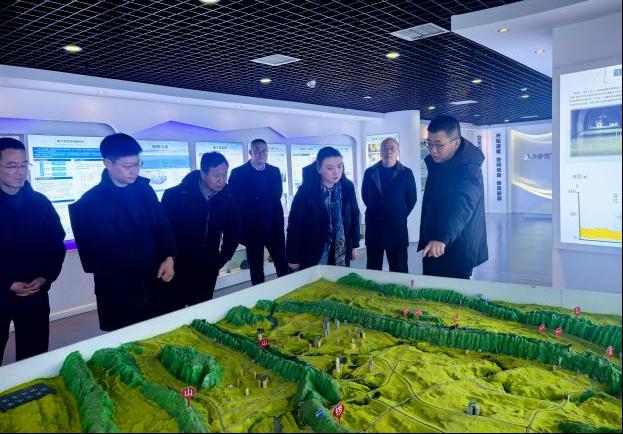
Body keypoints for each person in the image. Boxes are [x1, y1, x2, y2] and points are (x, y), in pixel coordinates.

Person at [69, 133, 176, 331]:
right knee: (127, 339)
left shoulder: (144, 190)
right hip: (120, 290)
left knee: (161, 333)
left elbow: (162, 225)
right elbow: (97, 256)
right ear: (108, 163)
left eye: (137, 164)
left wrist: (169, 256)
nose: (135, 171)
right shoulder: (91, 202)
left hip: (155, 281)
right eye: (128, 166)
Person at [0, 138, 66, 363]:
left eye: (23, 165)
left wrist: (44, 276)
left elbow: (55, 243)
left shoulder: (39, 202)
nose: (20, 172)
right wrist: (6, 282)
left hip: (34, 292)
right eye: (12, 166)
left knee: (34, 356)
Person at [162, 152, 240, 307]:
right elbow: (163, 232)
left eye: (225, 174)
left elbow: (233, 231)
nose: (222, 180)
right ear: (203, 174)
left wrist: (221, 259)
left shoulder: (228, 197)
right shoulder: (175, 195)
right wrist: (169, 258)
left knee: (201, 309)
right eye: (216, 175)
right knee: (175, 311)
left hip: (208, 267)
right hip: (178, 266)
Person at [418, 115, 488, 279]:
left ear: (456, 143)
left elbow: (463, 206)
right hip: (434, 244)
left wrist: (442, 238)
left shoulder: (469, 170)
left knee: (451, 293)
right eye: (429, 143)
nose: (432, 150)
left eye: (439, 145)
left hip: (456, 248)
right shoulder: (439, 163)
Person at [287, 146, 360, 270]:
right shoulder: (306, 191)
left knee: (339, 279)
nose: (336, 172)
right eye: (330, 168)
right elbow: (295, 225)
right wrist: (293, 257)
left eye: (339, 166)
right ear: (319, 168)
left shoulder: (347, 187)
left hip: (340, 250)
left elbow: (354, 216)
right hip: (314, 251)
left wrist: (354, 245)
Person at [229, 139, 288, 285]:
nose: (261, 154)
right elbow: (234, 200)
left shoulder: (274, 171)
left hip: (273, 226)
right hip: (251, 228)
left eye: (264, 151)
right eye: (257, 150)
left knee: (281, 261)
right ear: (250, 152)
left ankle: (287, 288)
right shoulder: (238, 173)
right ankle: (259, 293)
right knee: (255, 266)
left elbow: (277, 195)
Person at [361, 137, 417, 273]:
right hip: (374, 227)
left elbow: (412, 199)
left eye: (392, 148)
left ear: (398, 151)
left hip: (396, 228)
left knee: (399, 268)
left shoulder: (406, 173)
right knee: (373, 268)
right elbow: (365, 196)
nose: (388, 152)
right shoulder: (369, 172)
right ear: (380, 151)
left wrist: (398, 213)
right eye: (385, 148)